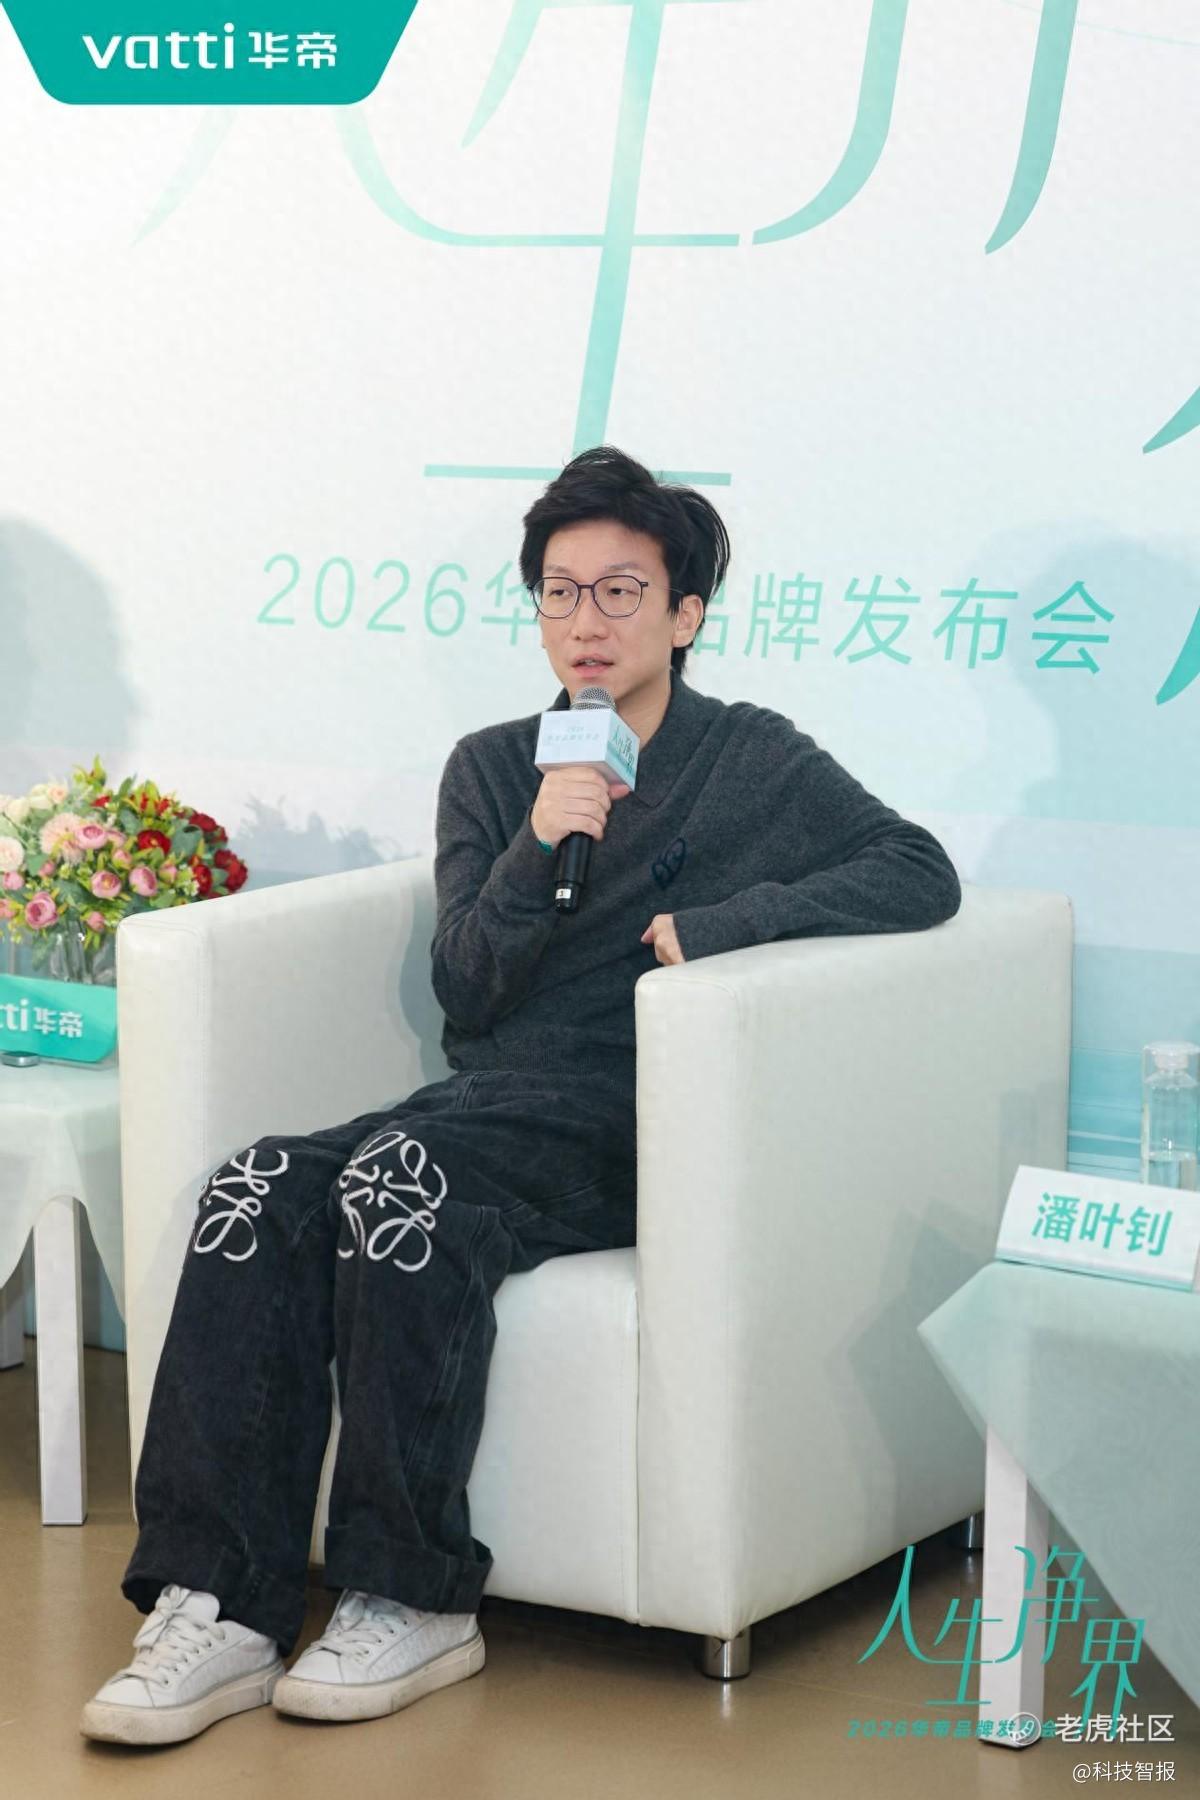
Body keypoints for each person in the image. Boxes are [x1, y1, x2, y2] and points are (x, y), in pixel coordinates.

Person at [81, 445, 962, 1746]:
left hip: (638, 1116)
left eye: (621, 592)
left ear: (686, 615)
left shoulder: (751, 759)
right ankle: (217, 1606)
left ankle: (410, 1594)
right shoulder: (496, 767)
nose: (586, 623)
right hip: (491, 1103)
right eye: (560, 593)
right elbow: (469, 989)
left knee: (400, 1180)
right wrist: (544, 836)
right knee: (256, 1184)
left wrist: (725, 925)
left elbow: (917, 869)